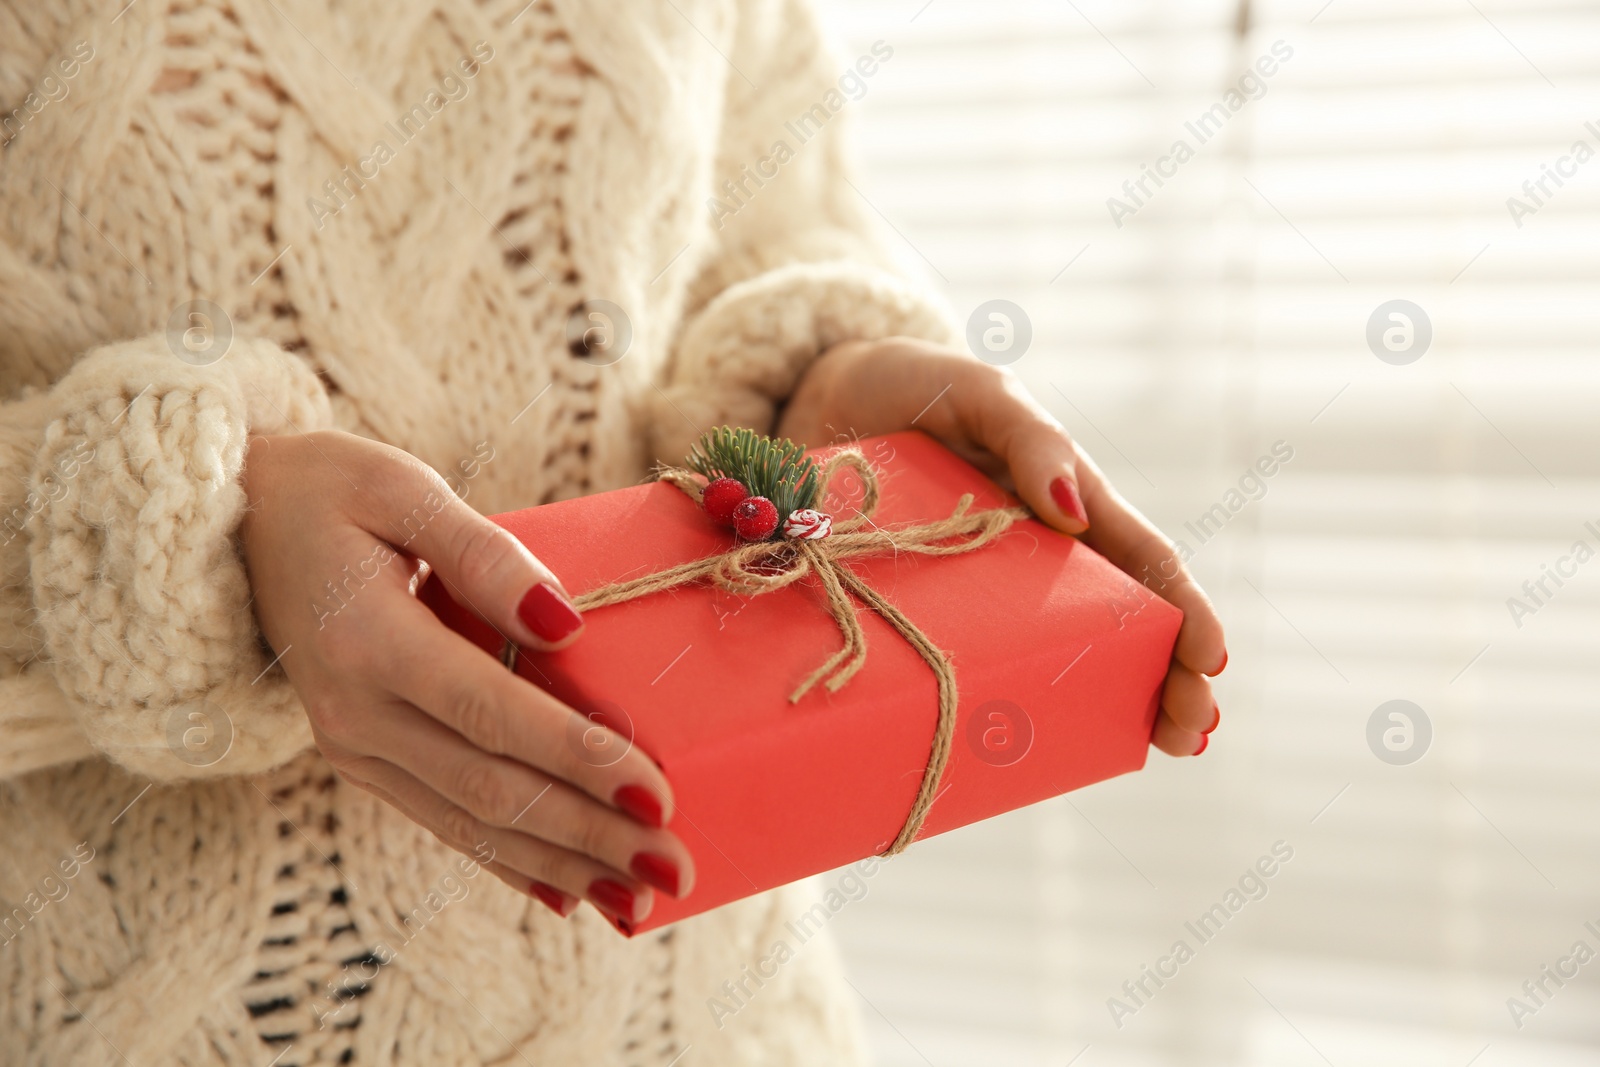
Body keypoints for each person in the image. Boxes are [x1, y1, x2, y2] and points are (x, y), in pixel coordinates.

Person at [0, 0, 1224, 1062]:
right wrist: (169, 535)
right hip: (127, 1004)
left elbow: (771, 226)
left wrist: (811, 380)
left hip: (708, 1012)